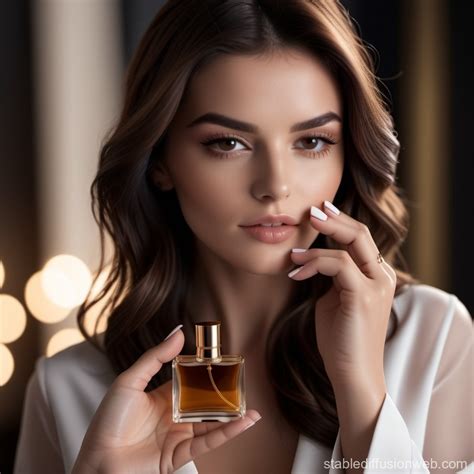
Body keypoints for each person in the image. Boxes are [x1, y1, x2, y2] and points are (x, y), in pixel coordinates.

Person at [14, 1, 473, 473]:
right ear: (160, 161)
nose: (275, 185)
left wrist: (362, 396)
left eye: (312, 141)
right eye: (228, 143)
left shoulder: (432, 338)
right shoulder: (69, 387)